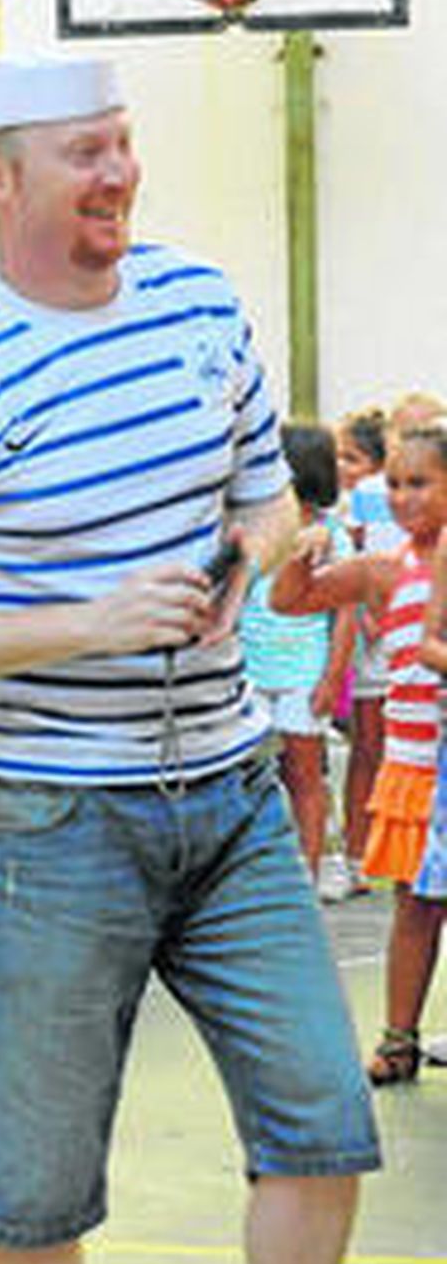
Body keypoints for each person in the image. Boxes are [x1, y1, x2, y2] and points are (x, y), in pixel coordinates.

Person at [0, 56, 379, 1264]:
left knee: (322, 1122)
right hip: (49, 830)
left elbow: (274, 498)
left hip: (235, 798)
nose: (120, 172)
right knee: (33, 1195)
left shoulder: (199, 304)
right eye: (85, 151)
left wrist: (243, 562)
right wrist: (87, 622)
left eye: (124, 142)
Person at [271, 422, 447, 1087]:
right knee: (415, 904)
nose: (403, 497)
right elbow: (291, 600)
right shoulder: (384, 569)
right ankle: (398, 1040)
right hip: (414, 762)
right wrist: (304, 549)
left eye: (420, 483)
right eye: (395, 483)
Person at [237, 424, 353, 897]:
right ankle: (254, 878)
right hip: (251, 668)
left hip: (303, 670)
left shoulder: (332, 537)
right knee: (249, 775)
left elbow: (345, 614)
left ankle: (305, 876)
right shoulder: (258, 533)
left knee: (304, 773)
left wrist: (332, 676)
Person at [334, 406, 390, 893]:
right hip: (375, 648)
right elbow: (355, 563)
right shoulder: (355, 507)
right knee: (367, 748)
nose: (340, 468)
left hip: (407, 642)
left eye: (350, 457)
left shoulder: (378, 496)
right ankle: (356, 854)